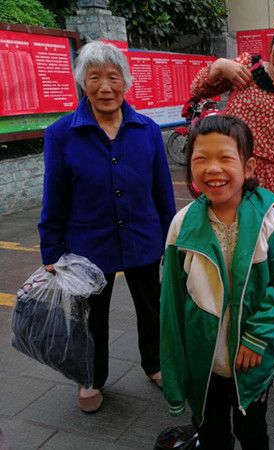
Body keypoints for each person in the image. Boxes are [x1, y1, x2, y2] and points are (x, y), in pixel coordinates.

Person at [38, 41, 176, 413]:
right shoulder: (61, 133)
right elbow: (54, 195)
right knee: (91, 317)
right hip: (89, 244)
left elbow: (162, 191)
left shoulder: (147, 130)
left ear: (125, 82)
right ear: (82, 83)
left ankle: (155, 364)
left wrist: (172, 239)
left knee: (151, 308)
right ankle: (91, 377)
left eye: (113, 77)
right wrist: (51, 250)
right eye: (94, 78)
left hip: (143, 237)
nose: (104, 87)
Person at [160, 115, 274, 450]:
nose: (213, 169)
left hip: (252, 360)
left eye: (225, 158)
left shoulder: (268, 220)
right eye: (201, 158)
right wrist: (174, 372)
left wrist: (258, 335)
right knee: (212, 433)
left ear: (248, 166)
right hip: (203, 362)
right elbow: (171, 306)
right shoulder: (182, 226)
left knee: (253, 431)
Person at [190, 17, 274, 221]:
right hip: (231, 176)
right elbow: (197, 90)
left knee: (266, 241)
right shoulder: (248, 68)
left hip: (272, 192)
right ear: (273, 45)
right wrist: (219, 66)